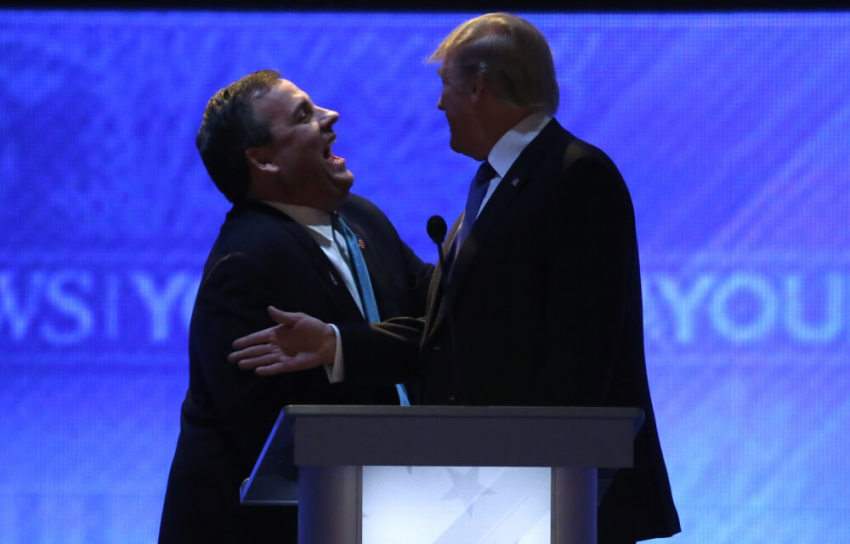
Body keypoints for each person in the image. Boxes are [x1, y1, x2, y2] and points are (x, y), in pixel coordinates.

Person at [229, 13, 681, 544]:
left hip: (554, 499)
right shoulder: (497, 182)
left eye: (445, 87)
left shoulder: (575, 176)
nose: (440, 104)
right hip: (503, 496)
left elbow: (582, 357)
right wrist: (334, 343)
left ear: (479, 87)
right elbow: (451, 334)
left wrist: (528, 487)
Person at [158, 69, 432, 544]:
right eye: (304, 115)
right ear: (263, 161)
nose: (331, 117)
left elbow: (440, 317)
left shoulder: (361, 217)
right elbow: (276, 442)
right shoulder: (244, 266)